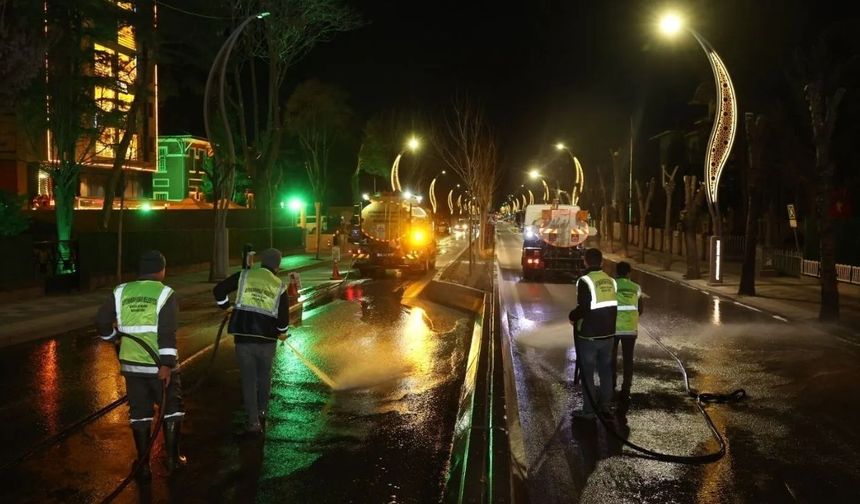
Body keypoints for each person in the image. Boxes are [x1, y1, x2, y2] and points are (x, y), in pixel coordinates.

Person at [95, 250, 185, 482]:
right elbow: (167, 332)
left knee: (139, 413)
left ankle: (143, 466)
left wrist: (113, 337)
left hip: (132, 367)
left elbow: (102, 320)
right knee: (171, 409)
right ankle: (173, 459)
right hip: (158, 367)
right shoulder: (165, 293)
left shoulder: (121, 291)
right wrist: (167, 365)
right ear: (161, 270)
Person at [213, 248, 290, 433]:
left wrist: (226, 307)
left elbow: (219, 290)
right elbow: (283, 320)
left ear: (261, 261)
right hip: (267, 340)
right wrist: (282, 332)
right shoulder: (279, 286)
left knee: (248, 379)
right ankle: (262, 411)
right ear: (277, 266)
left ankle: (253, 422)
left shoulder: (244, 275)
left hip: (244, 338)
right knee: (264, 376)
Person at [569, 248, 617, 421]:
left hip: (589, 336)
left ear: (585, 261)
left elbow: (584, 307)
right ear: (602, 262)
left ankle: (589, 411)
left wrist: (572, 316)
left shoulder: (585, 281)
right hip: (609, 335)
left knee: (587, 373)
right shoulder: (611, 281)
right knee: (605, 371)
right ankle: (606, 406)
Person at [612, 261, 643, 402]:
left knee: (611, 357)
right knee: (628, 358)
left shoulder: (612, 286)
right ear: (629, 273)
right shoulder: (636, 288)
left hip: (613, 328)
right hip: (630, 329)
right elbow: (640, 309)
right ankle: (626, 386)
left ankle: (611, 382)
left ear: (616, 272)